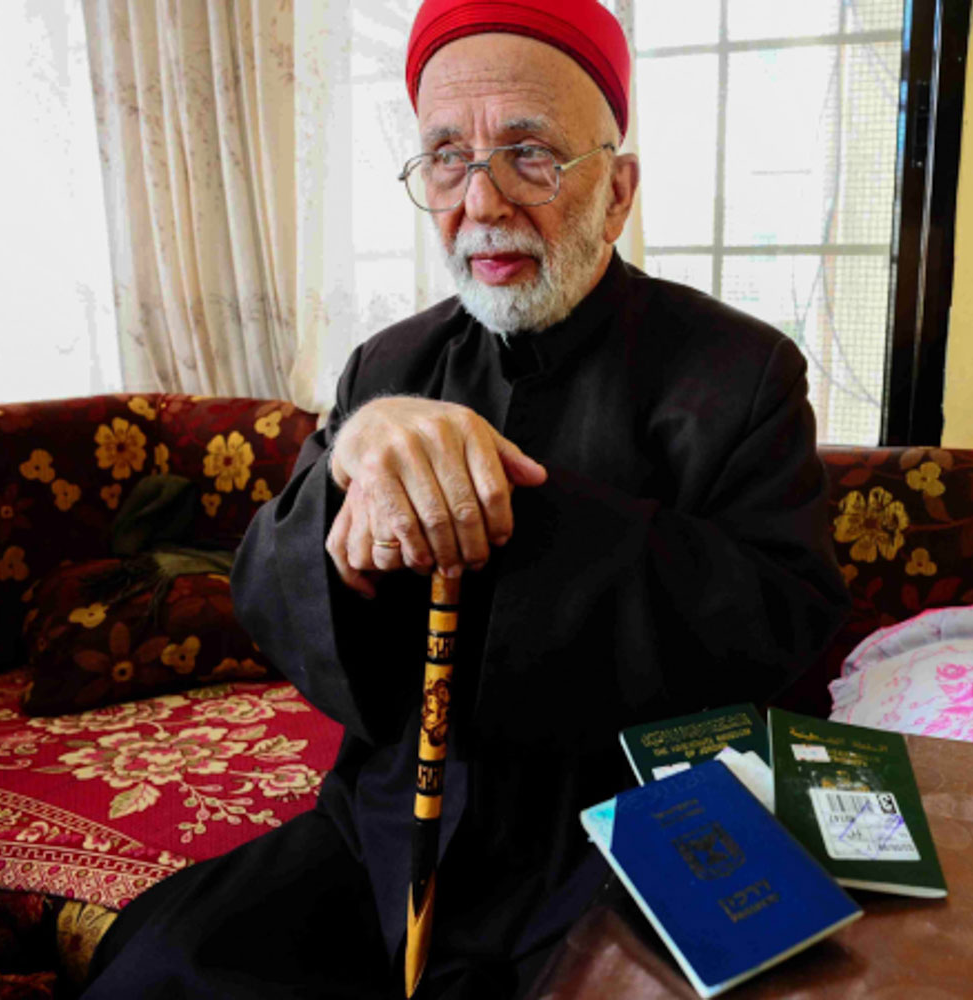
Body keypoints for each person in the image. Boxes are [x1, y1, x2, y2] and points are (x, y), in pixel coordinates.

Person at [82, 1, 848, 996]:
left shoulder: (742, 372)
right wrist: (344, 481)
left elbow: (785, 631)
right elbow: (267, 603)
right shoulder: (388, 364)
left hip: (617, 841)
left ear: (615, 193)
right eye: (447, 156)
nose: (482, 201)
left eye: (529, 153)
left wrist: (508, 505)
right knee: (164, 968)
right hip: (392, 828)